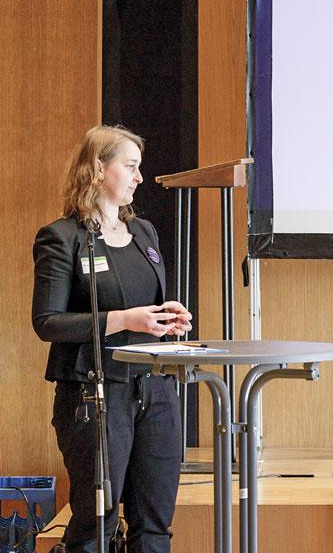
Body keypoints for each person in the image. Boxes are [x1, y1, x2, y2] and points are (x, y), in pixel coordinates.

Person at [32, 125, 192, 552]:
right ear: (98, 170)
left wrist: (167, 317)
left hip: (155, 391)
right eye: (131, 166)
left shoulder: (145, 234)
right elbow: (48, 322)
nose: (140, 177)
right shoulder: (63, 237)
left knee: (155, 523)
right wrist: (124, 319)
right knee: (96, 525)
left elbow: (146, 308)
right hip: (95, 396)